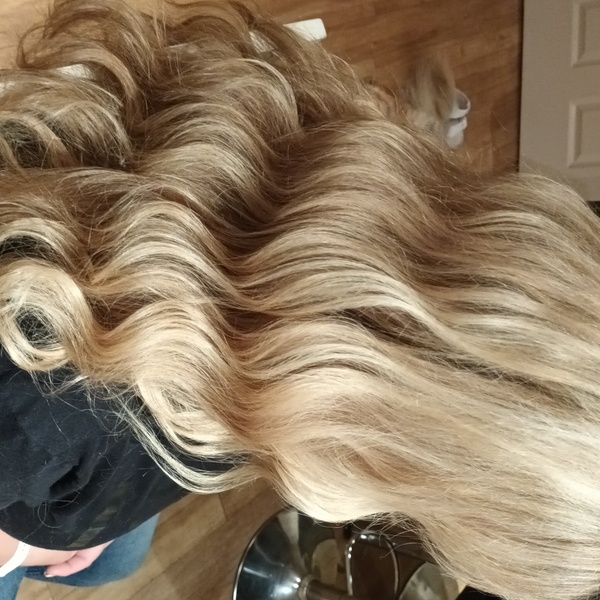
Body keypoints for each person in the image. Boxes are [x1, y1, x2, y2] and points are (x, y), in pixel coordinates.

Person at [1, 2, 600, 600]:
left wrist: (85, 523)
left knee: (113, 562)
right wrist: (23, 548)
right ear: (414, 459)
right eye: (429, 520)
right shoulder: (42, 408)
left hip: (104, 471)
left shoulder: (321, 164)